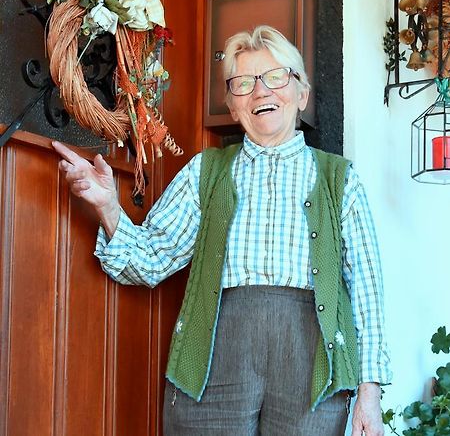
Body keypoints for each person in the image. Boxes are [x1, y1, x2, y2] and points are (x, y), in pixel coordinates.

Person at [53, 25, 392, 436]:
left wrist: (369, 396)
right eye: (244, 83)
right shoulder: (205, 171)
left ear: (301, 94)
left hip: (313, 359)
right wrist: (108, 206)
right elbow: (149, 261)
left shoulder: (341, 180)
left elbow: (367, 293)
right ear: (232, 106)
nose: (261, 92)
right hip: (215, 353)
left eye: (276, 77)